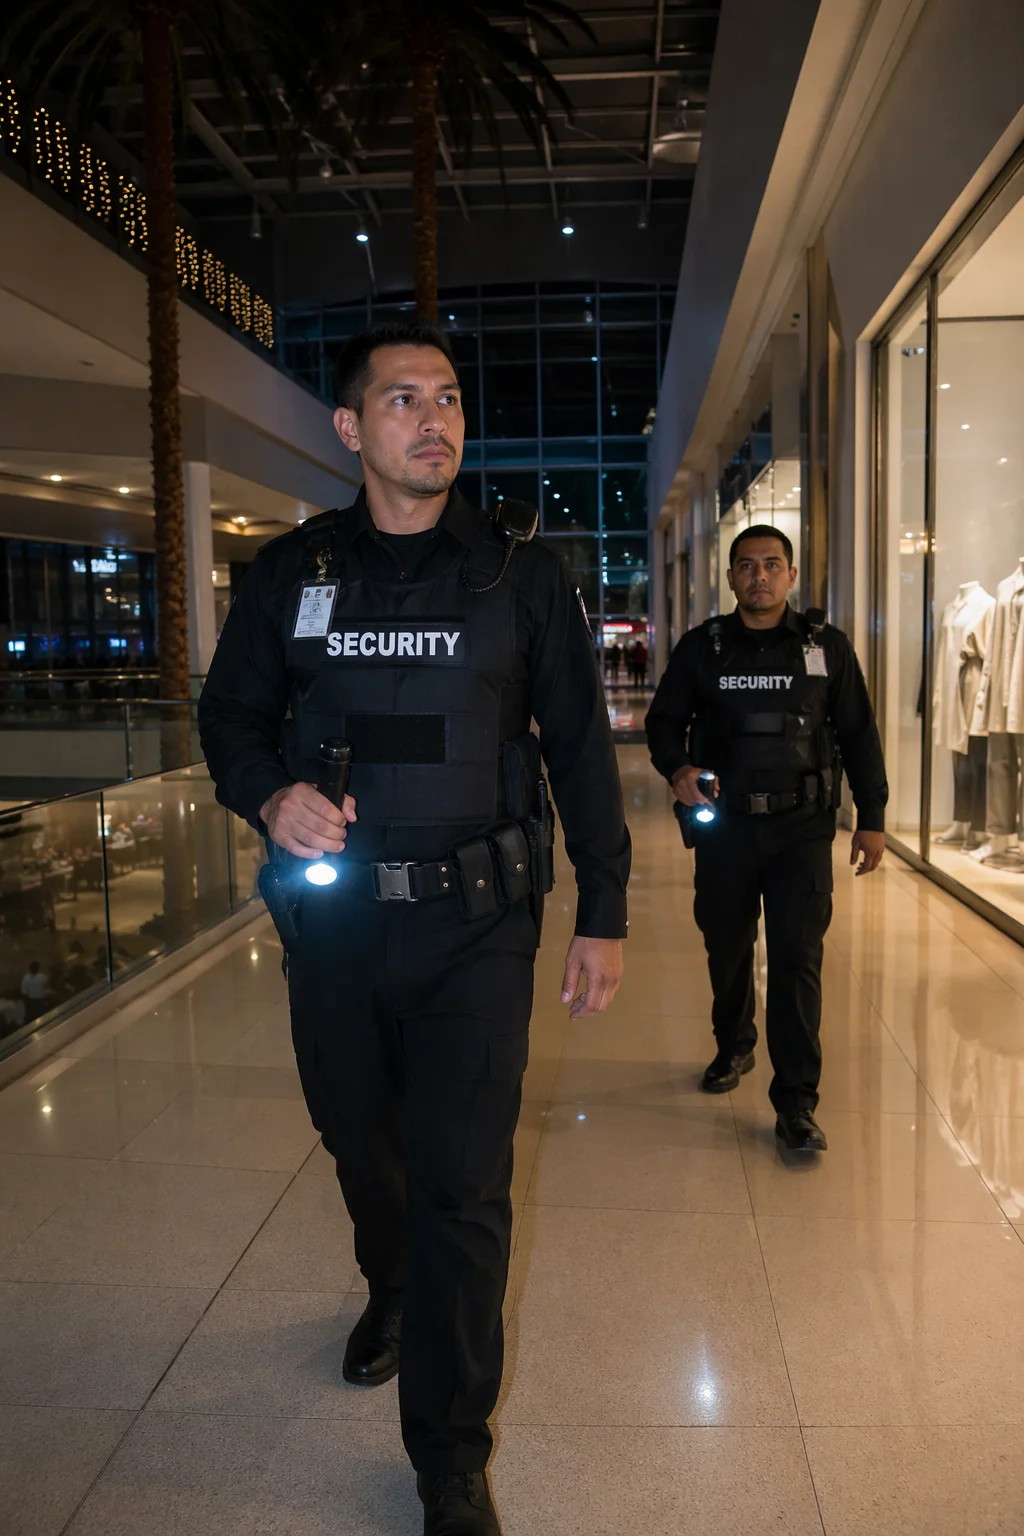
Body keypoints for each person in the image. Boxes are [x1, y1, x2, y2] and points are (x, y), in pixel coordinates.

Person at [198, 319, 630, 1536]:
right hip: (333, 931)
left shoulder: (522, 577)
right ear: (350, 429)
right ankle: (390, 1278)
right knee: (355, 1138)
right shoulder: (291, 575)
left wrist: (603, 908)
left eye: (445, 398)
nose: (432, 418)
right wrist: (267, 793)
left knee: (463, 1182)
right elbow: (229, 715)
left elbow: (582, 753)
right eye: (401, 400)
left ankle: (450, 1458)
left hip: (477, 930)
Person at [645, 525, 887, 1153]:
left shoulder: (824, 647)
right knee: (726, 948)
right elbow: (664, 721)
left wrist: (873, 815)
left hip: (801, 832)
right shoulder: (704, 648)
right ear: (730, 578)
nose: (760, 576)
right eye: (747, 566)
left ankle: (797, 1104)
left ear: (791, 574)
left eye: (772, 565)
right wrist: (679, 769)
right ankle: (734, 1047)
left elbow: (859, 733)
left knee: (796, 959)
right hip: (725, 828)